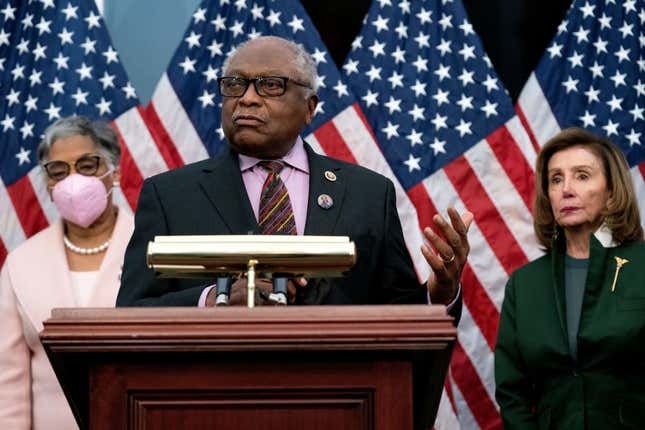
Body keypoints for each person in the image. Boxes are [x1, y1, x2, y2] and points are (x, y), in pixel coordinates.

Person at [117, 36, 472, 313]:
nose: (247, 99)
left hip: (338, 393)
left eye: (270, 85)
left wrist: (439, 294)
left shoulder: (368, 194)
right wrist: (215, 298)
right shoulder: (170, 195)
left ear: (310, 108)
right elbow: (132, 312)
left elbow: (398, 314)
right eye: (235, 85)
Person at [494, 127, 645, 429]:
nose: (566, 189)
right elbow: (512, 393)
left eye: (582, 176)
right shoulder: (525, 285)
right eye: (556, 179)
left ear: (612, 191)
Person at [0, 116, 134, 430]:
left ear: (115, 172)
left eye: (88, 165)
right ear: (48, 184)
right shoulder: (22, 263)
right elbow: (7, 378)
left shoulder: (149, 249)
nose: (73, 181)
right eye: (59, 171)